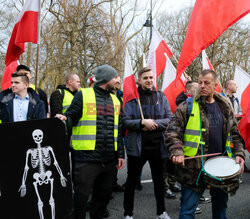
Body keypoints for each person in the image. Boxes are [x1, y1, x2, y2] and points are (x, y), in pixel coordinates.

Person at [165, 69, 245, 219]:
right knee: (187, 211)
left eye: (206, 83)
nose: (202, 86)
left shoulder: (225, 106)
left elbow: (235, 134)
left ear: (215, 85)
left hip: (221, 169)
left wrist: (239, 153)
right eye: (200, 82)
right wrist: (177, 151)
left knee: (221, 210)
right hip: (193, 169)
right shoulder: (186, 106)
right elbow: (172, 132)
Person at [55, 64, 125, 219]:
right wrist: (64, 119)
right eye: (115, 76)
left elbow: (118, 130)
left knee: (103, 199)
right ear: (106, 78)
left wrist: (120, 154)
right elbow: (71, 116)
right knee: (80, 199)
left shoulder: (116, 100)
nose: (118, 80)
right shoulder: (83, 95)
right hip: (86, 159)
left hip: (108, 160)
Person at [123, 67, 172, 219]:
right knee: (131, 182)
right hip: (138, 148)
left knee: (159, 182)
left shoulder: (161, 96)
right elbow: (125, 121)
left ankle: (161, 212)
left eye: (151, 77)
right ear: (139, 80)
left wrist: (153, 123)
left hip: (158, 147)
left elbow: (169, 119)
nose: (149, 80)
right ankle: (128, 214)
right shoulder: (133, 98)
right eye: (145, 78)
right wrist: (141, 122)